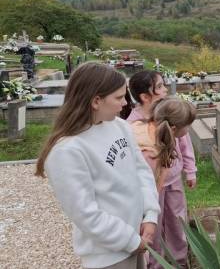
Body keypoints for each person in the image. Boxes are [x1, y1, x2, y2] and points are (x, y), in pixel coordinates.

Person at [35, 62, 159, 269]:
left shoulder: (119, 126)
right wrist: (130, 240)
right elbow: (85, 213)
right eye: (119, 98)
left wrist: (150, 215)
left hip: (137, 239)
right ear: (96, 101)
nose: (125, 104)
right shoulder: (67, 151)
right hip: (109, 255)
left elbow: (141, 171)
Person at [124, 70, 197, 269]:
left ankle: (179, 260)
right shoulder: (133, 125)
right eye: (159, 87)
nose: (165, 89)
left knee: (177, 221)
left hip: (172, 180)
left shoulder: (172, 112)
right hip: (150, 189)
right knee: (152, 226)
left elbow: (184, 143)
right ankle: (155, 263)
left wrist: (190, 169)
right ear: (145, 96)